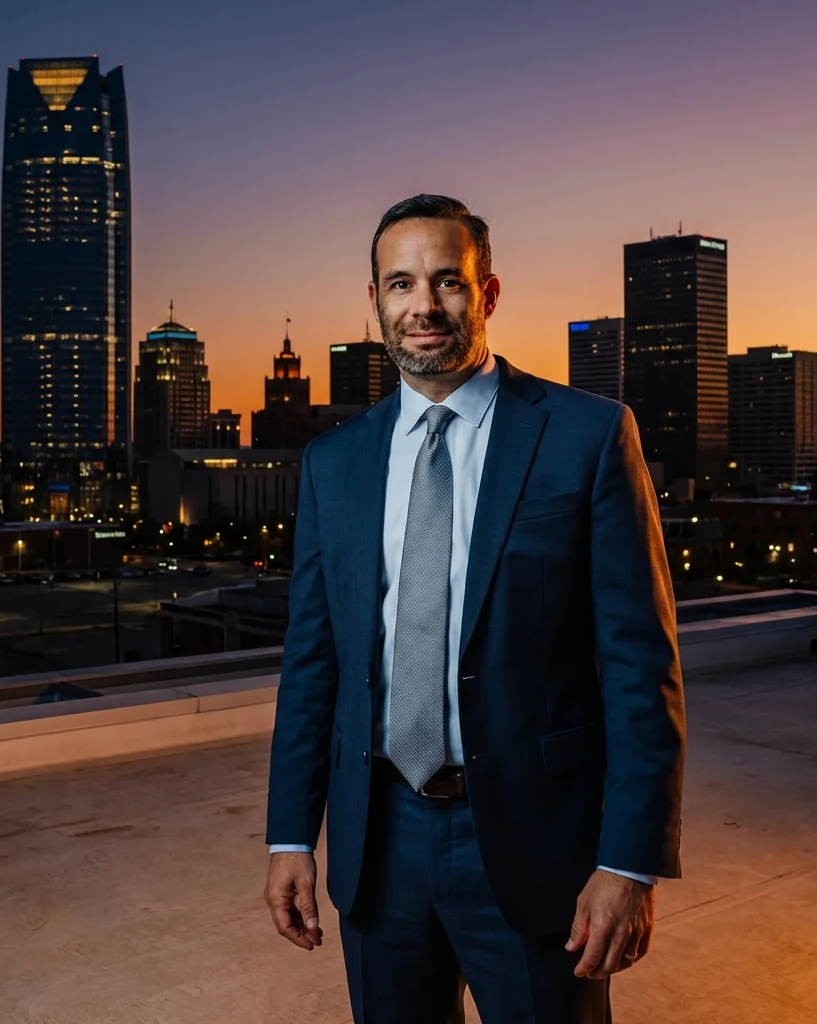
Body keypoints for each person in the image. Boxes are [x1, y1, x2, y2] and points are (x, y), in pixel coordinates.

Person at [264, 194, 686, 1023]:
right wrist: (289, 836)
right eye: (400, 284)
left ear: (487, 294)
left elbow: (640, 668)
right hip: (377, 847)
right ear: (377, 301)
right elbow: (314, 666)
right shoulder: (334, 464)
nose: (423, 306)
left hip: (538, 847)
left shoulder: (587, 436)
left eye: (448, 282)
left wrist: (630, 862)